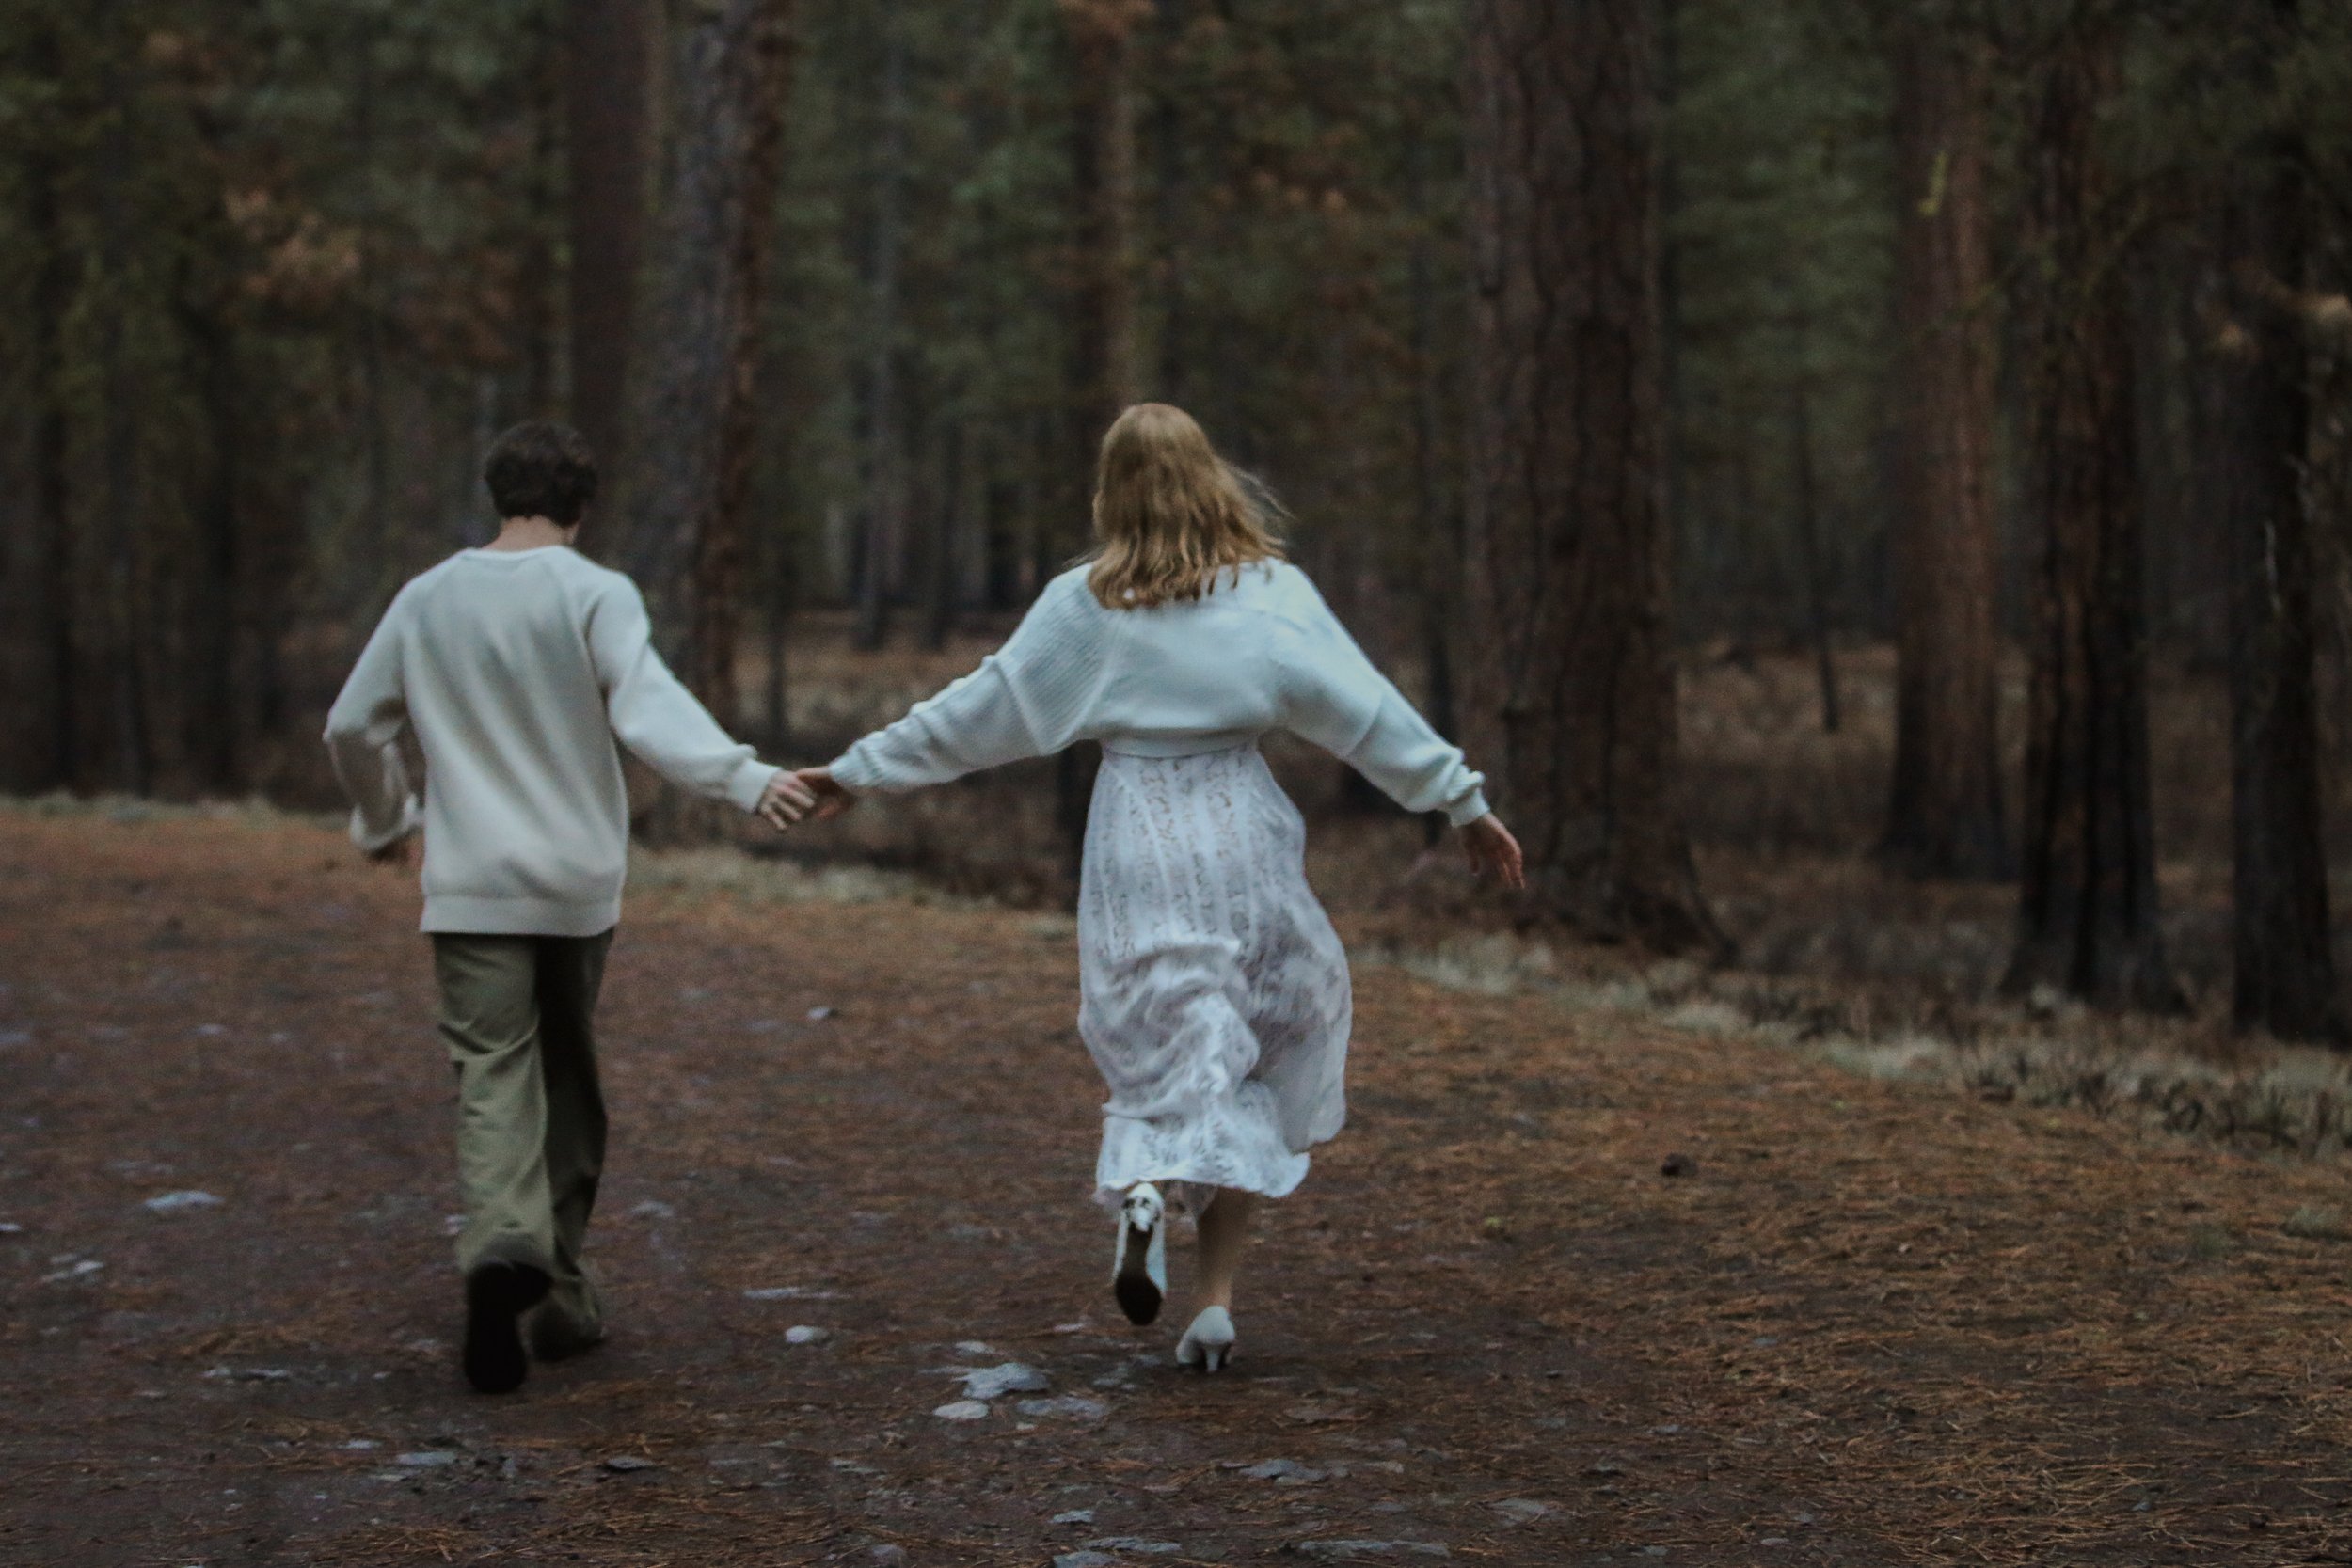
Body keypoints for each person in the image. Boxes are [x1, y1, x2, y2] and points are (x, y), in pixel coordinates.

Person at [792, 403, 1522, 1370]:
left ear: (1113, 492)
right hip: (1239, 829)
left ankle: (1143, 1183)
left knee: (1164, 1036)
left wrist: (859, 770)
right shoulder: (1271, 592)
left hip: (1137, 827)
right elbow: (1363, 708)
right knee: (1254, 1047)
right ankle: (1213, 1301)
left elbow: (983, 707)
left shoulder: (1084, 602)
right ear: (1211, 477)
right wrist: (1459, 800)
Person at [324, 420, 813, 1394]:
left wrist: (387, 817)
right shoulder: (595, 592)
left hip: (471, 886)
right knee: (568, 1071)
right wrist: (747, 778)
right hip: (577, 883)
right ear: (581, 506)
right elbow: (647, 708)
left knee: (492, 1069)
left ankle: (505, 1247)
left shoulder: (428, 595)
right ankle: (556, 1296)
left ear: (496, 494)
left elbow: (350, 721)